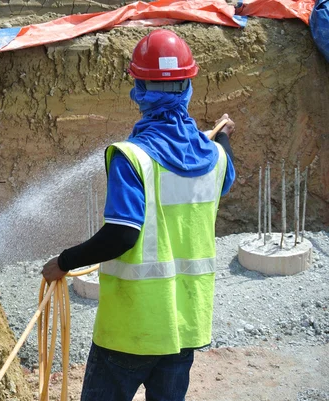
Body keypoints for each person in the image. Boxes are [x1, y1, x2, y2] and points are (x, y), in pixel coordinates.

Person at [41, 29, 236, 401]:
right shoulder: (215, 158)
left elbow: (121, 234)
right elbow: (225, 167)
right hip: (184, 327)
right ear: (187, 86)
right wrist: (223, 134)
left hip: (131, 331)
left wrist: (63, 262)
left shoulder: (132, 157)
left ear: (139, 88)